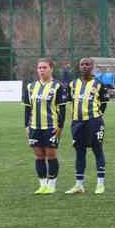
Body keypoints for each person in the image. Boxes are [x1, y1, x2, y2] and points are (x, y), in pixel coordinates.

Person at [22, 58, 69, 194]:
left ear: (51, 69)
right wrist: (26, 126)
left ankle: (52, 184)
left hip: (51, 126)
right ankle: (42, 185)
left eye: (44, 67)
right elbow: (27, 109)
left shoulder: (58, 86)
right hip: (34, 127)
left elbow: (62, 110)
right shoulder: (31, 87)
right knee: (39, 156)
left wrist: (60, 127)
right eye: (39, 68)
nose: (41, 70)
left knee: (51, 155)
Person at [65, 57, 109, 195]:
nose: (84, 66)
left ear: (92, 66)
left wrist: (96, 116)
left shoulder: (99, 84)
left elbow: (104, 103)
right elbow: (70, 101)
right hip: (77, 123)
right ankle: (79, 185)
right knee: (80, 152)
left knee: (97, 150)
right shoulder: (72, 84)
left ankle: (100, 184)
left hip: (94, 122)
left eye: (87, 64)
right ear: (79, 67)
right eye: (82, 64)